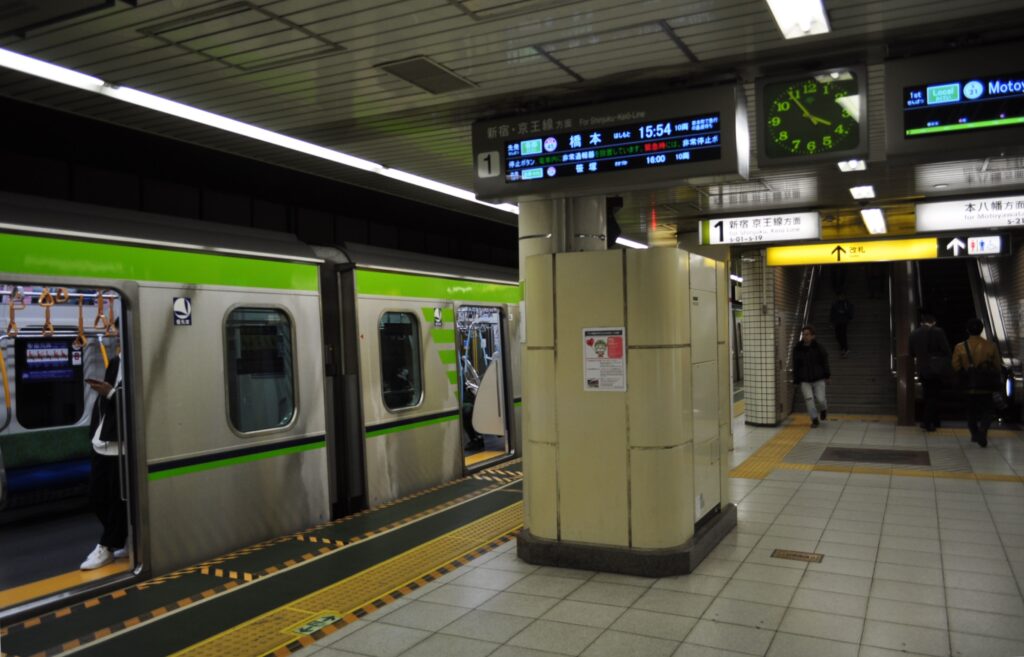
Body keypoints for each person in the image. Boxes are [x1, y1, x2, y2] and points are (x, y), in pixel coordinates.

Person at [80, 354, 128, 570]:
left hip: (122, 445)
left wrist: (110, 393)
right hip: (102, 440)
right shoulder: (116, 362)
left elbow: (136, 403)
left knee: (119, 502)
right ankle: (120, 538)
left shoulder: (138, 361)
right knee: (96, 498)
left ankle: (107, 545)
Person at [952, 318, 1000, 448]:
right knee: (988, 410)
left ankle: (974, 433)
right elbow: (997, 366)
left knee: (970, 411)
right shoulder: (991, 346)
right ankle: (983, 430)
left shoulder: (960, 346)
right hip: (986, 386)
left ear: (967, 330)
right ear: (981, 330)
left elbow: (955, 366)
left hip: (968, 385)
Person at [909, 313, 952, 431]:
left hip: (922, 369)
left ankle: (935, 421)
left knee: (928, 395)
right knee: (934, 395)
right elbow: (946, 350)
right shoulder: (938, 331)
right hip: (936, 369)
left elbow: (911, 353)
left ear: (922, 322)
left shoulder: (914, 334)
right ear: (933, 322)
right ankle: (927, 421)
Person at [793, 325, 830, 427]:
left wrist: (827, 375)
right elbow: (796, 365)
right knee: (809, 400)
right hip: (805, 380)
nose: (805, 336)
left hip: (818, 378)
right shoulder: (797, 349)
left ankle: (823, 409)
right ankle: (814, 419)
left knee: (821, 399)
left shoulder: (819, 348)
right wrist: (796, 380)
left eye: (807, 334)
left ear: (813, 336)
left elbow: (825, 362)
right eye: (803, 334)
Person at [830, 293, 855, 357]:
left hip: (843, 321)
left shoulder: (847, 304)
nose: (841, 297)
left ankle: (844, 349)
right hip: (837, 322)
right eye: (840, 296)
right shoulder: (835, 304)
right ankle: (844, 348)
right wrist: (832, 321)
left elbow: (850, 311)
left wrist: (848, 316)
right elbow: (832, 312)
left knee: (843, 335)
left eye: (842, 296)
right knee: (838, 335)